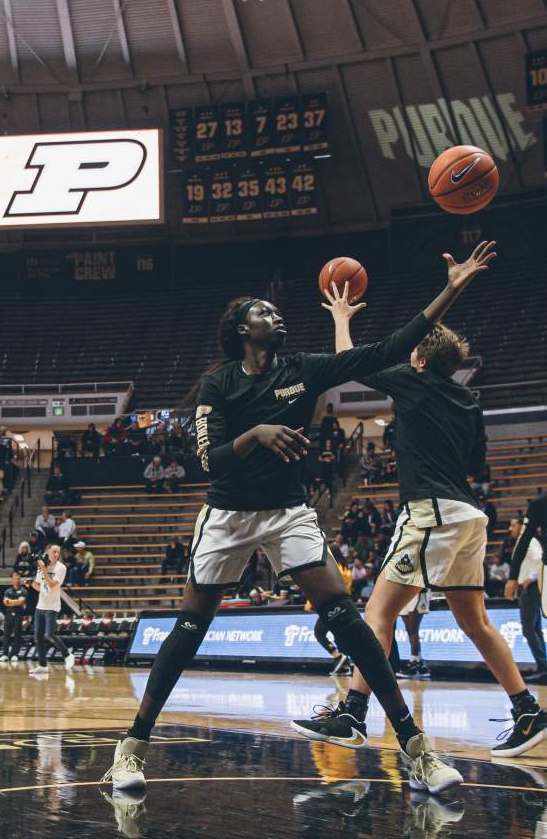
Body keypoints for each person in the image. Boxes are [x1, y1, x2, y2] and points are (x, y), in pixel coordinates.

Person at [102, 244, 491, 794]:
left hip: (287, 512)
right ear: (241, 329)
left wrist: (452, 287)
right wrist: (257, 434)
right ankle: (131, 748)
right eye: (263, 311)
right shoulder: (219, 383)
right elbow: (206, 458)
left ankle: (418, 750)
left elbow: (391, 348)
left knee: (348, 618)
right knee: (189, 630)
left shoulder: (300, 369)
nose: (276, 316)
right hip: (228, 514)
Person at [334, 242, 547, 759]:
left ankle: (351, 714)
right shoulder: (468, 400)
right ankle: (527, 712)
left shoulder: (415, 382)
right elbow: (476, 466)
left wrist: (342, 317)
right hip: (469, 515)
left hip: (431, 512)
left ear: (422, 358)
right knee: (473, 621)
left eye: (413, 353)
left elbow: (347, 361)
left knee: (377, 616)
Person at [506, 514, 547, 683]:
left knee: (529, 630)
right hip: (529, 589)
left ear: (522, 525)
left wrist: (530, 577)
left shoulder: (529, 541)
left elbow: (540, 559)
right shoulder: (526, 542)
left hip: (530, 589)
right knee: (534, 629)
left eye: (513, 525)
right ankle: (543, 666)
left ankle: (543, 665)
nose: (510, 528)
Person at [29, 543, 74, 676]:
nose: (56, 554)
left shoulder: (61, 568)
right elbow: (40, 586)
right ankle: (43, 665)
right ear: (47, 552)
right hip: (40, 606)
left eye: (58, 552)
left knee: (49, 634)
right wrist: (31, 584)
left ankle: (67, 655)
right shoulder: (42, 566)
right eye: (53, 551)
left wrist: (43, 570)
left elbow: (52, 585)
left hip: (52, 607)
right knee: (38, 637)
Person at [393, 591, 432, 680]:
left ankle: (414, 663)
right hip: (404, 592)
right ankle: (420, 665)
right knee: (409, 629)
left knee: (413, 628)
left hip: (418, 590)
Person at [0, 573, 29, 663]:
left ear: (20, 580)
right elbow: (5, 602)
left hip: (18, 615)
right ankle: (4, 654)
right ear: (12, 580)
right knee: (6, 634)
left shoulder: (23, 590)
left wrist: (11, 601)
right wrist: (15, 601)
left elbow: (21, 602)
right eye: (14, 579)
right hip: (8, 615)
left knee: (17, 634)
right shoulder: (8, 590)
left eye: (18, 579)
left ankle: (14, 654)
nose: (16, 580)